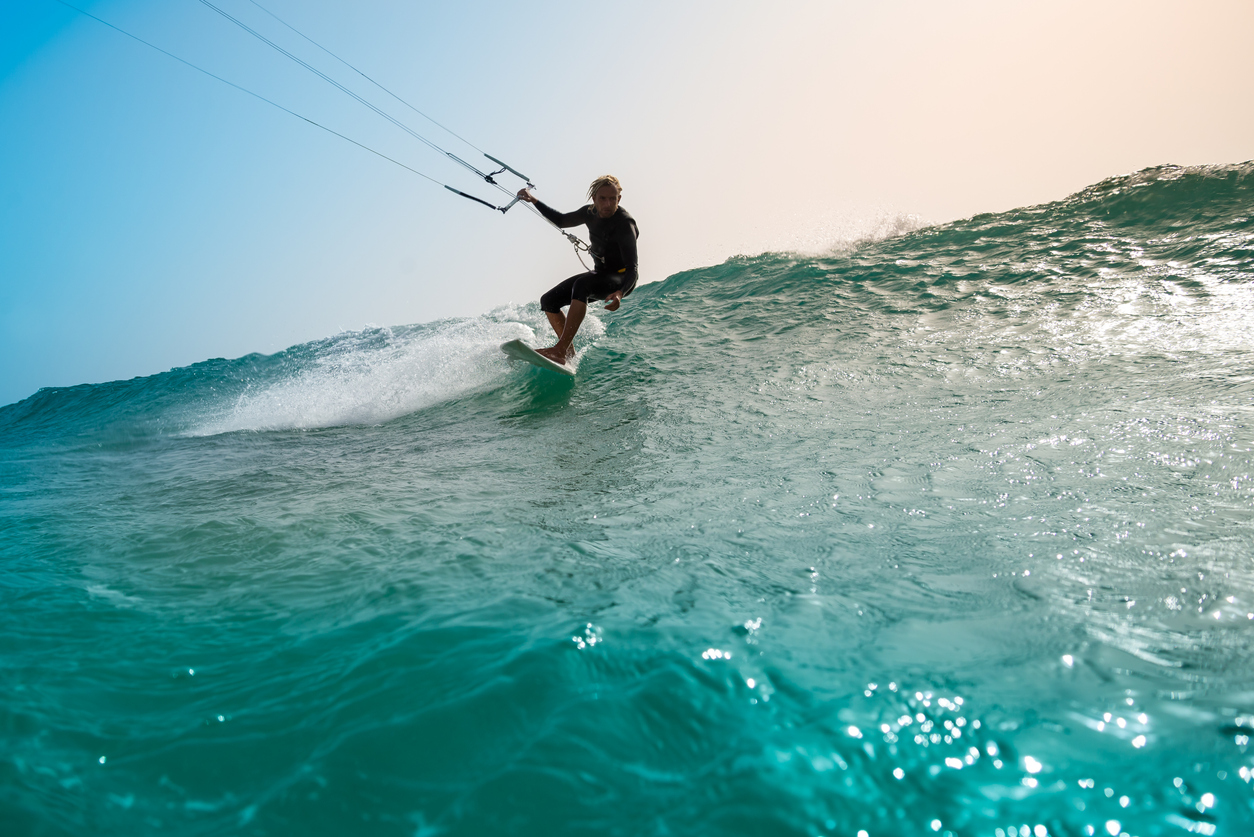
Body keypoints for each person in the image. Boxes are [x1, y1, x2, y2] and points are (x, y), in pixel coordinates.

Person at [517, 175, 639, 365]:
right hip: (600, 275)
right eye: (603, 198)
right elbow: (561, 220)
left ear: (619, 199)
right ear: (594, 199)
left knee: (582, 285)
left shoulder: (625, 223)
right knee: (549, 300)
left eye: (612, 199)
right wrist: (534, 200)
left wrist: (620, 294)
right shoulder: (589, 213)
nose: (608, 204)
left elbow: (633, 268)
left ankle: (560, 349)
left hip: (621, 279)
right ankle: (567, 353)